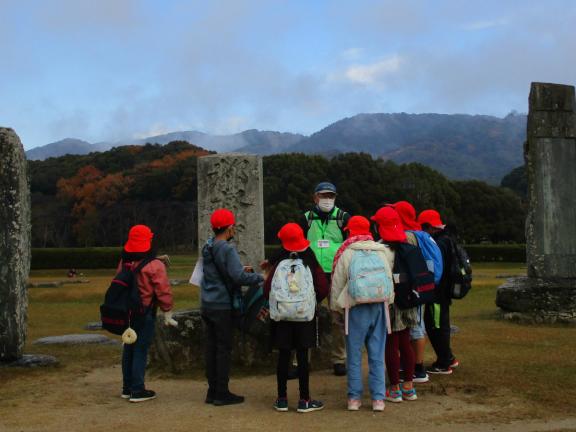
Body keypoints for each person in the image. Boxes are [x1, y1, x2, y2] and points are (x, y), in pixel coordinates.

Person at [200, 208, 265, 405]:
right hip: (222, 305)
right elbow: (238, 277)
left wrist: (239, 269)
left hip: (208, 303)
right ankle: (222, 393)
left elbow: (222, 271)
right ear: (229, 228)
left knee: (212, 348)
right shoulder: (227, 248)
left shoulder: (208, 246)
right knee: (223, 349)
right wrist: (261, 277)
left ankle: (212, 391)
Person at [331, 216, 394, 412]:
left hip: (355, 306)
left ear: (350, 231)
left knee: (354, 354)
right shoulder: (383, 251)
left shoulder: (346, 253)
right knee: (377, 353)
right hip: (379, 306)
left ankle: (354, 399)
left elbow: (337, 283)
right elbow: (388, 278)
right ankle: (378, 399)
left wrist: (336, 308)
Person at [264, 223, 329, 413]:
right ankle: (304, 399)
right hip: (304, 317)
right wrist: (311, 301)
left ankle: (282, 398)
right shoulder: (310, 260)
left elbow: (266, 290)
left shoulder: (278, 263)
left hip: (282, 317)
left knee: (283, 357)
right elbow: (323, 288)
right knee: (302, 357)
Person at [119, 224, 177, 403]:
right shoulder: (155, 265)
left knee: (128, 348)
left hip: (127, 313)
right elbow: (163, 290)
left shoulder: (124, 262)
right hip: (145, 312)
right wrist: (167, 310)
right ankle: (138, 389)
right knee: (141, 350)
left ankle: (127, 388)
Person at [301, 181, 351, 376]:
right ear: (315, 197)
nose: (327, 200)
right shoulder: (305, 218)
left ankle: (339, 359)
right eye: (323, 196)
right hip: (311, 273)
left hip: (336, 274)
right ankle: (303, 361)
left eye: (331, 196)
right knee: (304, 315)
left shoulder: (343, 218)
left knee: (337, 318)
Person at [390, 201, 442, 383]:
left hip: (412, 287)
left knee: (416, 328)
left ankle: (418, 368)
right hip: (422, 285)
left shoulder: (408, 235)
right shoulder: (421, 234)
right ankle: (413, 365)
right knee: (415, 326)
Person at [371, 207, 418, 403]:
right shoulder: (408, 246)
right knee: (406, 343)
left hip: (389, 303)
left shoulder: (379, 249)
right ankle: (409, 386)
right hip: (409, 300)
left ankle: (394, 388)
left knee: (391, 344)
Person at [418, 209, 459, 375]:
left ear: (428, 226)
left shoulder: (436, 243)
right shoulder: (447, 239)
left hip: (437, 292)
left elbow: (434, 268)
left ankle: (443, 363)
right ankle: (449, 358)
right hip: (444, 291)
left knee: (436, 326)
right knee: (440, 324)